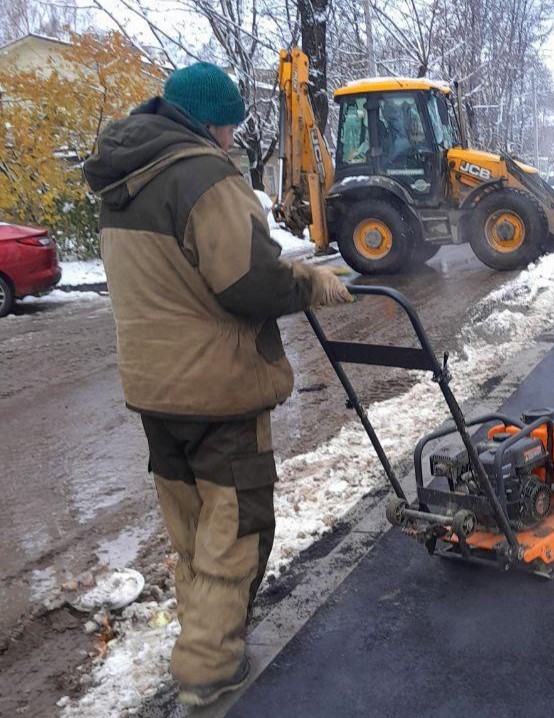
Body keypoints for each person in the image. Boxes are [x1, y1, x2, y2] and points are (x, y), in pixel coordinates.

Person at [83, 62, 353, 706]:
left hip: (153, 389)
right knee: (236, 531)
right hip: (215, 389)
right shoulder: (202, 175)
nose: (233, 137)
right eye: (230, 125)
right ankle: (209, 673)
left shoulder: (125, 180)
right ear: (210, 120)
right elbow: (247, 283)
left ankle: (207, 640)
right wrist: (310, 281)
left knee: (194, 531)